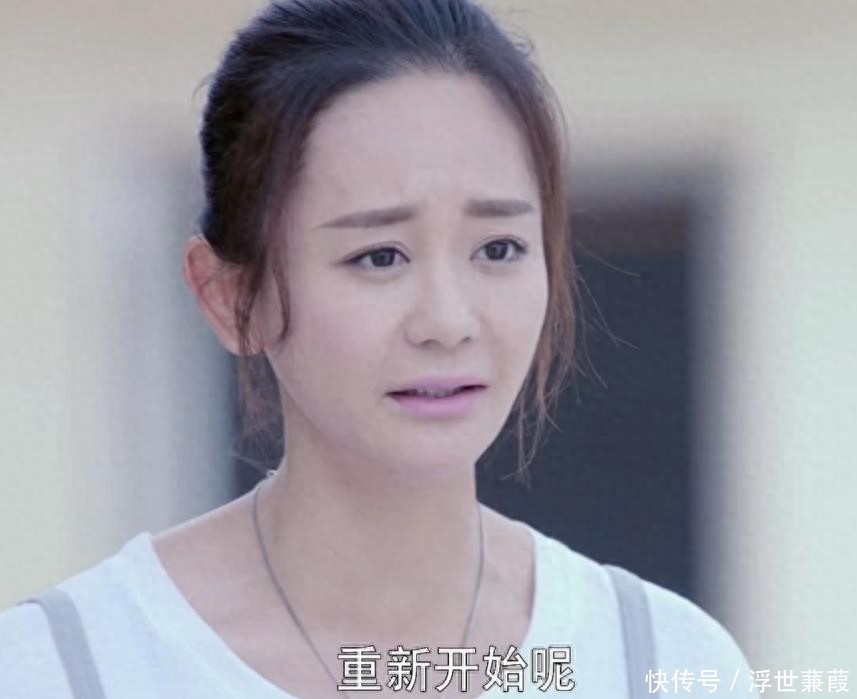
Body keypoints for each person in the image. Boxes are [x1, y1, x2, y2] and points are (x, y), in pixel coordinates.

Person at [0, 1, 759, 697]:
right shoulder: (66, 667)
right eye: (379, 256)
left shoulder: (655, 660)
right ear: (231, 297)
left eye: (497, 248)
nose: (447, 321)